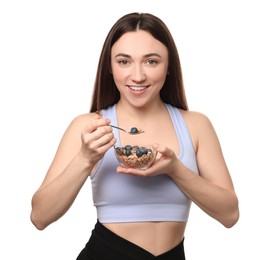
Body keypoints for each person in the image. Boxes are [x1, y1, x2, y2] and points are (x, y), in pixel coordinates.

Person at [30, 12, 239, 259]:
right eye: (124, 61)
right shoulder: (88, 127)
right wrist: (85, 159)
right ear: (109, 66)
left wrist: (175, 170)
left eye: (151, 61)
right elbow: (39, 217)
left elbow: (229, 215)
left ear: (169, 65)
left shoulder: (195, 125)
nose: (138, 76)